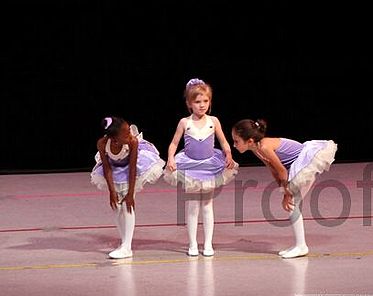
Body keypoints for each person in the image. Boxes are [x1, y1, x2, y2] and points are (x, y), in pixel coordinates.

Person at [231, 119, 337, 258]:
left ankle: (301, 246)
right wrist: (283, 190)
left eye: (236, 141)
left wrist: (287, 194)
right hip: (293, 169)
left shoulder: (264, 147)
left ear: (249, 141)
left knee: (292, 205)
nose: (234, 145)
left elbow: (282, 171)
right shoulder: (257, 149)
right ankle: (299, 245)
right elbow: (274, 171)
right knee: (293, 205)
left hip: (304, 165)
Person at [164, 78, 237, 257]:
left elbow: (224, 142)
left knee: (207, 205)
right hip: (190, 167)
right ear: (189, 104)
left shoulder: (214, 121)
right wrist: (170, 159)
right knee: (192, 206)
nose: (202, 105)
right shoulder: (184, 122)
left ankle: (208, 243)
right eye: (197, 102)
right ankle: (192, 244)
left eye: (205, 101)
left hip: (210, 166)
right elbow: (174, 143)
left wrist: (228, 154)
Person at [91, 116, 165, 259]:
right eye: (126, 133)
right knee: (116, 207)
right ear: (115, 139)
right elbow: (106, 167)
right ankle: (124, 242)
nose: (130, 134)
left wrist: (131, 194)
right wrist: (111, 192)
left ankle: (127, 247)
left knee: (127, 206)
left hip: (129, 172)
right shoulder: (102, 143)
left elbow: (132, 168)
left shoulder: (132, 141)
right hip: (114, 171)